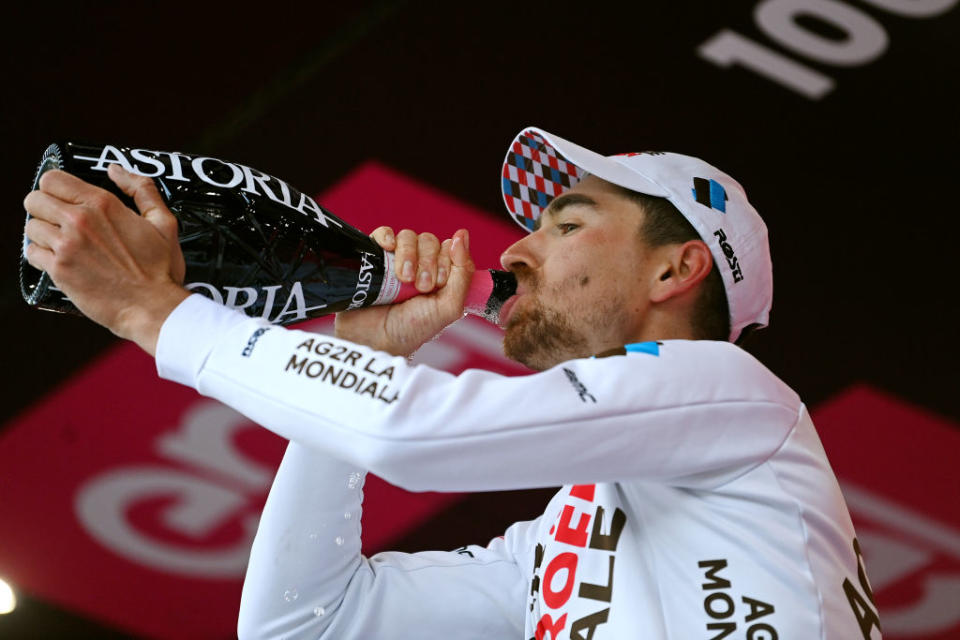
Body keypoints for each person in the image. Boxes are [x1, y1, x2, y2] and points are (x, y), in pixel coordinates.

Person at [22, 127, 882, 639]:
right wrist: (368, 351)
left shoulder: (738, 397)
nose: (512, 251)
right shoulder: (571, 534)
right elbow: (308, 624)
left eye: (567, 223)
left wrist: (156, 314)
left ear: (677, 270)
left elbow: (415, 438)